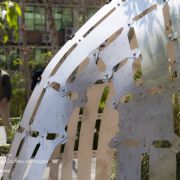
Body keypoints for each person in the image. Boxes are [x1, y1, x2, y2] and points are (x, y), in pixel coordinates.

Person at [0, 69, 12, 142]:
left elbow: (8, 91)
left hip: (4, 102)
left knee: (5, 121)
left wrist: (3, 101)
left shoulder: (5, 76)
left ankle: (10, 139)